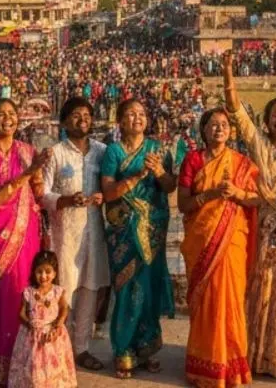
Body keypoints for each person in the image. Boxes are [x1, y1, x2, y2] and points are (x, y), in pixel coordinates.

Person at [223, 52, 276, 379]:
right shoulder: (258, 145)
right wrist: (228, 72)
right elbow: (236, 112)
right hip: (261, 226)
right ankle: (257, 356)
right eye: (275, 115)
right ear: (266, 120)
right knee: (260, 292)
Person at [176, 107, 262, 388]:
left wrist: (237, 194)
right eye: (213, 124)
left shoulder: (241, 163)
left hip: (232, 238)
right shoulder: (192, 160)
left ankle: (232, 364)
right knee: (206, 302)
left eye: (224, 124)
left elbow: (257, 199)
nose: (219, 128)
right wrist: (211, 195)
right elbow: (183, 204)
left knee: (232, 299)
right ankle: (204, 364)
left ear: (231, 130)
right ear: (203, 130)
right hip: (202, 240)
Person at [0, 98, 47, 388]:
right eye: (0, 114)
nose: (8, 118)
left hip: (26, 237)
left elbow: (39, 195)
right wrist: (27, 173)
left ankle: (24, 367)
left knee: (21, 295)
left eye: (12, 114)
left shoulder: (29, 152)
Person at [101, 98, 177, 378]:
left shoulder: (158, 149)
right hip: (124, 231)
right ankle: (123, 349)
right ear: (120, 121)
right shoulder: (113, 152)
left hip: (154, 227)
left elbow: (170, 186)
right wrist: (137, 176)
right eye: (131, 114)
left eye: (142, 113)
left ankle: (146, 348)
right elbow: (108, 192)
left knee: (150, 287)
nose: (137, 118)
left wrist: (158, 171)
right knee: (128, 288)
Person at [41, 97, 109, 371]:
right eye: (76, 115)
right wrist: (67, 200)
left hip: (94, 232)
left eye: (87, 114)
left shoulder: (102, 152)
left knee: (90, 290)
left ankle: (81, 348)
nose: (83, 119)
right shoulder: (55, 153)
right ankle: (59, 347)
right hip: (64, 235)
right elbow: (43, 194)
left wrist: (105, 195)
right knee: (65, 291)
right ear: (65, 121)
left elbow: (111, 183)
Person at [8, 251, 76, 388]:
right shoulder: (28, 292)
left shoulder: (58, 291)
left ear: (55, 273)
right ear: (33, 272)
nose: (43, 276)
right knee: (33, 366)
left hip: (53, 336)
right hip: (32, 337)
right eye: (39, 272)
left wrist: (58, 325)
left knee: (53, 367)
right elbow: (21, 313)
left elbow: (64, 309)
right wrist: (29, 323)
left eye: (48, 272)